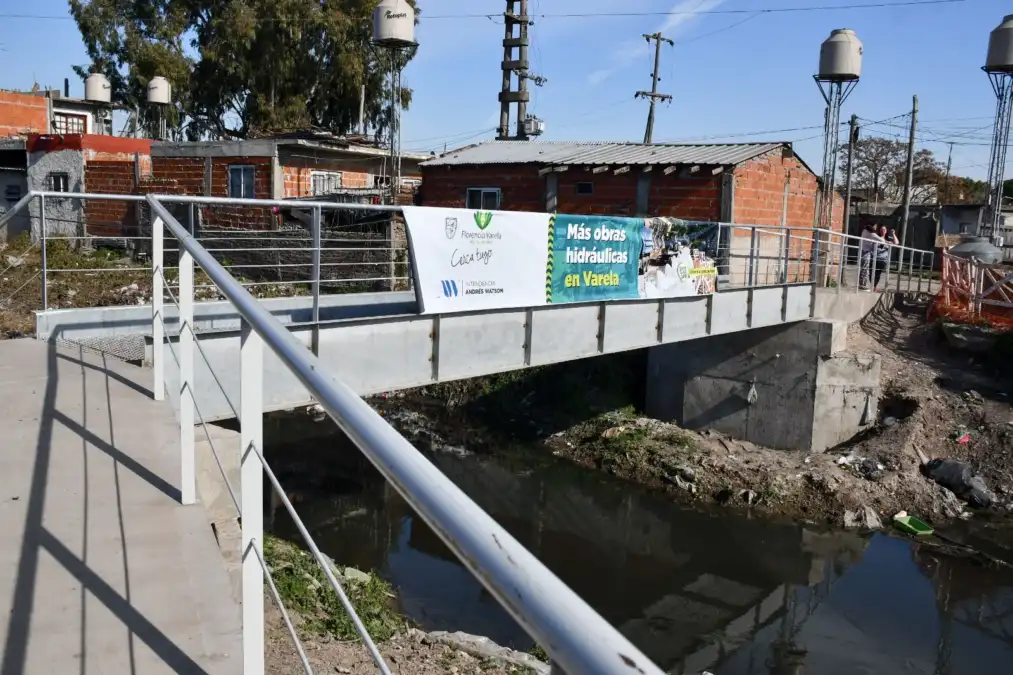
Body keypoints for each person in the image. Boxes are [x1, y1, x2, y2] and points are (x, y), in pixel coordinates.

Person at [859, 223, 884, 289]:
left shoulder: (864, 231)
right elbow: (881, 240)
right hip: (866, 252)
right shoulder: (871, 233)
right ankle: (862, 285)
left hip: (862, 251)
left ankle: (861, 284)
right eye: (875, 227)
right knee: (865, 269)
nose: (876, 229)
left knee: (863, 268)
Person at [873, 224, 899, 291]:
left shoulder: (888, 237)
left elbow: (896, 243)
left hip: (883, 259)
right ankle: (873, 286)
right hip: (874, 257)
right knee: (871, 272)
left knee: (877, 273)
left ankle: (874, 286)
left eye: (884, 229)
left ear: (886, 231)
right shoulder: (877, 236)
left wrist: (893, 234)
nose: (882, 231)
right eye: (881, 229)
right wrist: (887, 242)